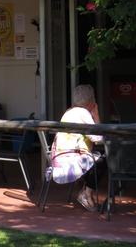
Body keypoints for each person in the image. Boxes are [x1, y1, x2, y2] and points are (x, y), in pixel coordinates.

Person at [51, 84, 105, 212]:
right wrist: (96, 116)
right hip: (71, 160)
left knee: (96, 157)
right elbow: (98, 139)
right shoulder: (83, 113)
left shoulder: (69, 111)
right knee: (104, 160)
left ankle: (87, 192)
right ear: (92, 101)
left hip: (59, 159)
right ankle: (86, 193)